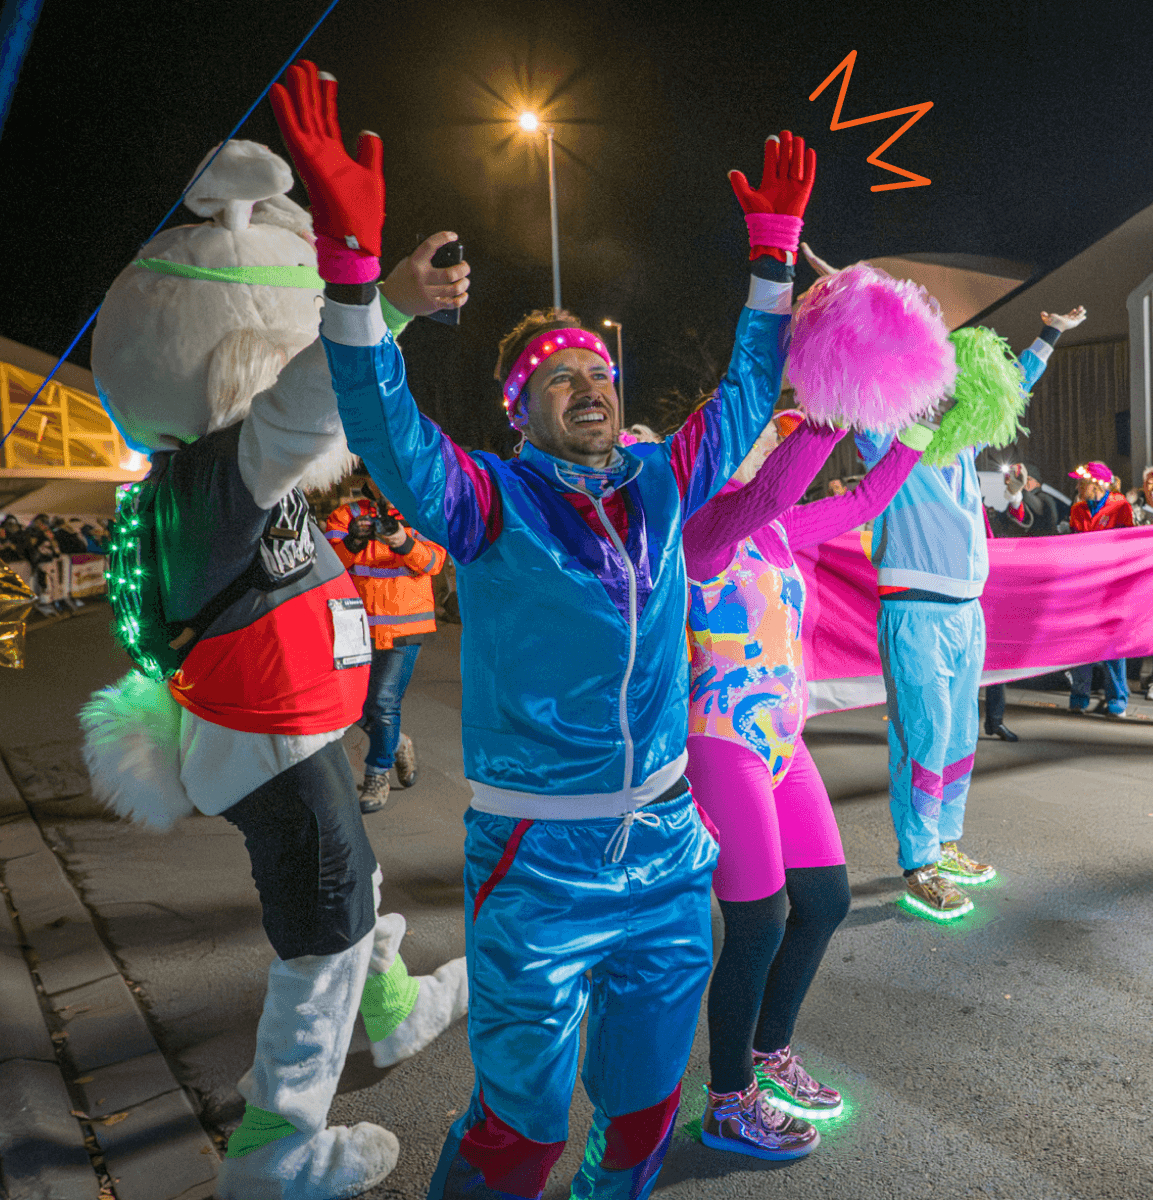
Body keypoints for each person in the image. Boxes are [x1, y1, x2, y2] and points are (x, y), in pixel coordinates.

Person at [297, 56, 815, 1195]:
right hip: (537, 864)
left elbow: (744, 400)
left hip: (669, 852)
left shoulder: (664, 481)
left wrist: (773, 260)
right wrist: (353, 278)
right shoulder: (487, 500)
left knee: (639, 1119)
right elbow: (384, 428)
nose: (589, 383)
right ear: (520, 409)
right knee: (519, 1136)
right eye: (559, 376)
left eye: (598, 370)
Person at [81, 128, 471, 1200]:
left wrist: (378, 304)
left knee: (352, 876)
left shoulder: (193, 481)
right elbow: (308, 397)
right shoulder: (224, 473)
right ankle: (276, 1148)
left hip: (269, 729)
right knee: (323, 926)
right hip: (266, 741)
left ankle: (390, 1010)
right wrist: (374, 299)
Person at [686, 408, 932, 1158]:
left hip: (783, 742)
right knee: (758, 923)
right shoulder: (703, 527)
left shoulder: (777, 529)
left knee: (824, 902)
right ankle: (728, 1101)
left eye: (777, 433)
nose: (772, 437)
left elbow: (864, 500)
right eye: (762, 432)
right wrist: (834, 403)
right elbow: (771, 489)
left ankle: (770, 1052)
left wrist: (920, 429)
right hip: (723, 741)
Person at [855, 304, 1083, 917]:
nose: (949, 394)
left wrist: (1048, 336)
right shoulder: (888, 438)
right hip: (915, 611)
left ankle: (945, 842)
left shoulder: (960, 442)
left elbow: (1011, 389)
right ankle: (919, 862)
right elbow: (864, 388)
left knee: (957, 737)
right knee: (922, 739)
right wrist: (872, 324)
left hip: (965, 612)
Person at [324, 465, 446, 813]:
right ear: (369, 479)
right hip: (354, 627)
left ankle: (377, 774)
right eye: (381, 473)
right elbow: (329, 566)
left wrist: (403, 542)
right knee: (346, 703)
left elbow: (435, 562)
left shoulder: (423, 512)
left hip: (405, 627)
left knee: (382, 702)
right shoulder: (346, 516)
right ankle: (396, 742)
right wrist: (353, 541)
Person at [983, 462, 1060, 741]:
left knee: (997, 655)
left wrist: (1016, 495)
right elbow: (1007, 523)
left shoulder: (1045, 502)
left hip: (1015, 589)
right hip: (987, 588)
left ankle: (994, 719)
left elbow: (1029, 516)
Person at [1063, 462, 1133, 717]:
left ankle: (1117, 700)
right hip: (1084, 585)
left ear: (1097, 485)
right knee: (1080, 641)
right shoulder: (1077, 509)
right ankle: (1079, 697)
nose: (1078, 488)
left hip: (1111, 586)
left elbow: (1128, 544)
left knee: (1113, 644)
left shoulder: (1120, 506)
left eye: (1082, 483)